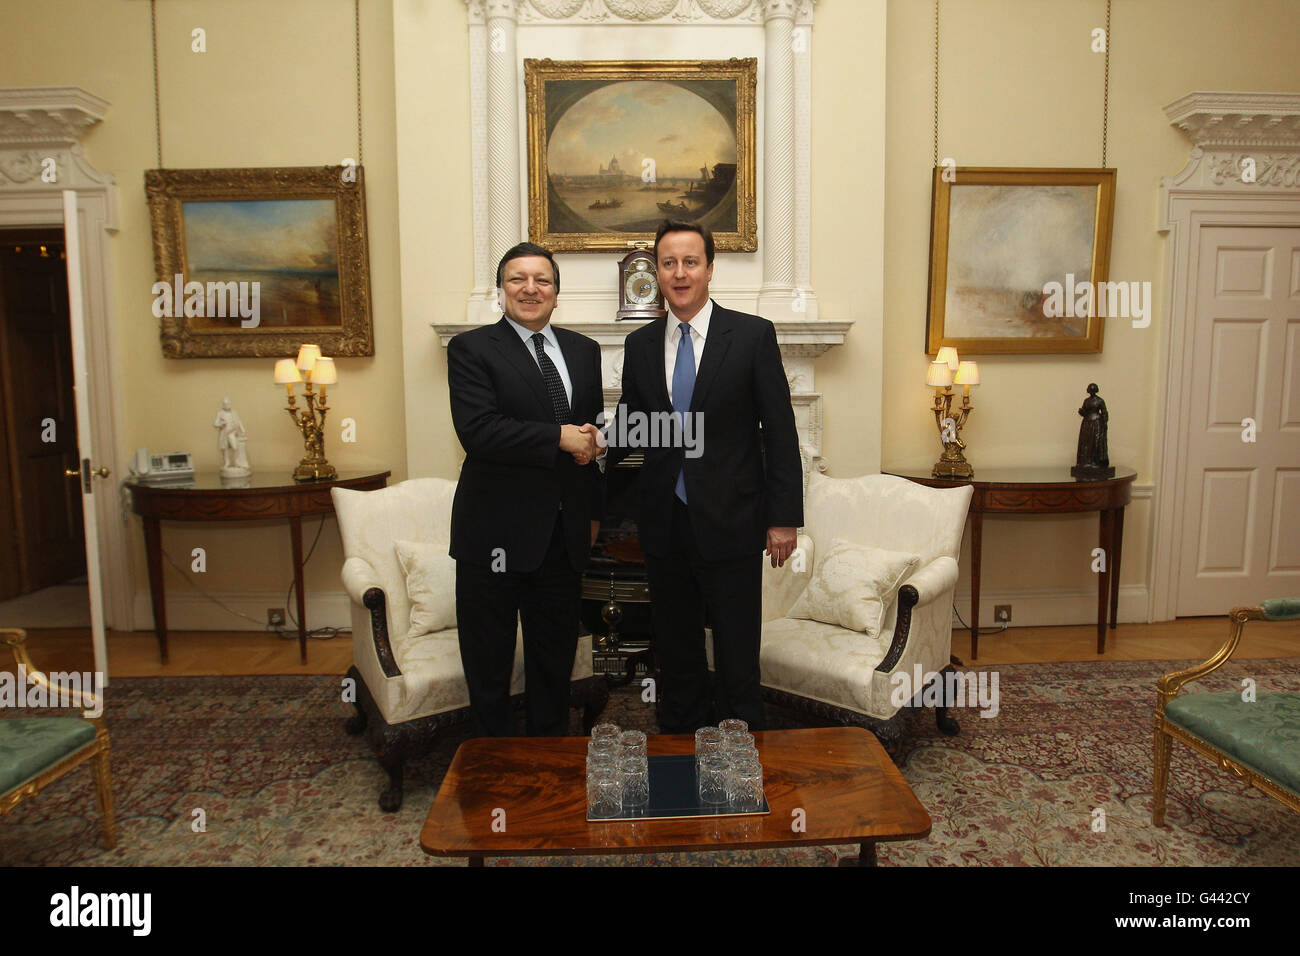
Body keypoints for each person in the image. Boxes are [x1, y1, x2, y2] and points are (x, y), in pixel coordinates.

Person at [596, 220, 802, 732]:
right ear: (657, 273)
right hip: (666, 525)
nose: (680, 273)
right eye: (669, 263)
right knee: (677, 648)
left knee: (736, 652)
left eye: (691, 262)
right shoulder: (642, 345)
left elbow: (780, 431)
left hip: (732, 520)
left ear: (710, 269)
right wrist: (594, 441)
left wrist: (783, 519)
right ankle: (679, 742)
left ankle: (741, 752)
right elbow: (637, 424)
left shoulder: (752, 336)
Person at [447, 241, 602, 737]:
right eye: (518, 279)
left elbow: (589, 428)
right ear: (501, 292)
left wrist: (594, 452)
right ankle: (492, 769)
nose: (530, 289)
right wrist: (559, 437)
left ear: (557, 294)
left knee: (553, 665)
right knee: (489, 665)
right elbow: (480, 431)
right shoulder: (471, 349)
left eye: (543, 280)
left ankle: (548, 766)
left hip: (562, 535)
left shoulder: (584, 351)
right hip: (493, 534)